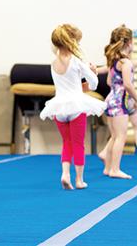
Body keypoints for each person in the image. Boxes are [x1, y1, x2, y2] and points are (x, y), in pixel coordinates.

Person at [40, 24, 105, 190]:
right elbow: (94, 85)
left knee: (66, 142)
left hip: (59, 108)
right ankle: (79, 180)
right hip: (76, 106)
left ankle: (65, 174)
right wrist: (94, 71)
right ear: (72, 42)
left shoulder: (53, 63)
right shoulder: (76, 62)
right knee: (78, 144)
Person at [100, 25, 137, 179]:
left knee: (114, 136)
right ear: (129, 43)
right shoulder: (126, 63)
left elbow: (109, 81)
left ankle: (108, 168)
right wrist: (136, 98)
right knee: (120, 136)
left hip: (111, 100)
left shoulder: (115, 61)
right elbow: (128, 85)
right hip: (120, 102)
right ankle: (115, 169)